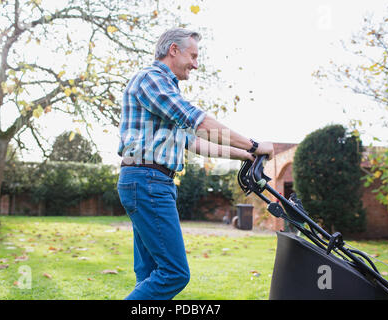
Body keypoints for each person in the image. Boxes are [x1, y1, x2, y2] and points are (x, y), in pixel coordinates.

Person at [117, 28, 274, 300]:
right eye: (193, 55)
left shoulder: (164, 90)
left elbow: (195, 142)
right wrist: (253, 144)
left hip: (149, 182)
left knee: (150, 273)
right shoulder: (152, 80)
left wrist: (246, 155)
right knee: (174, 273)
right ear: (173, 50)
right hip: (147, 182)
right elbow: (199, 123)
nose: (196, 64)